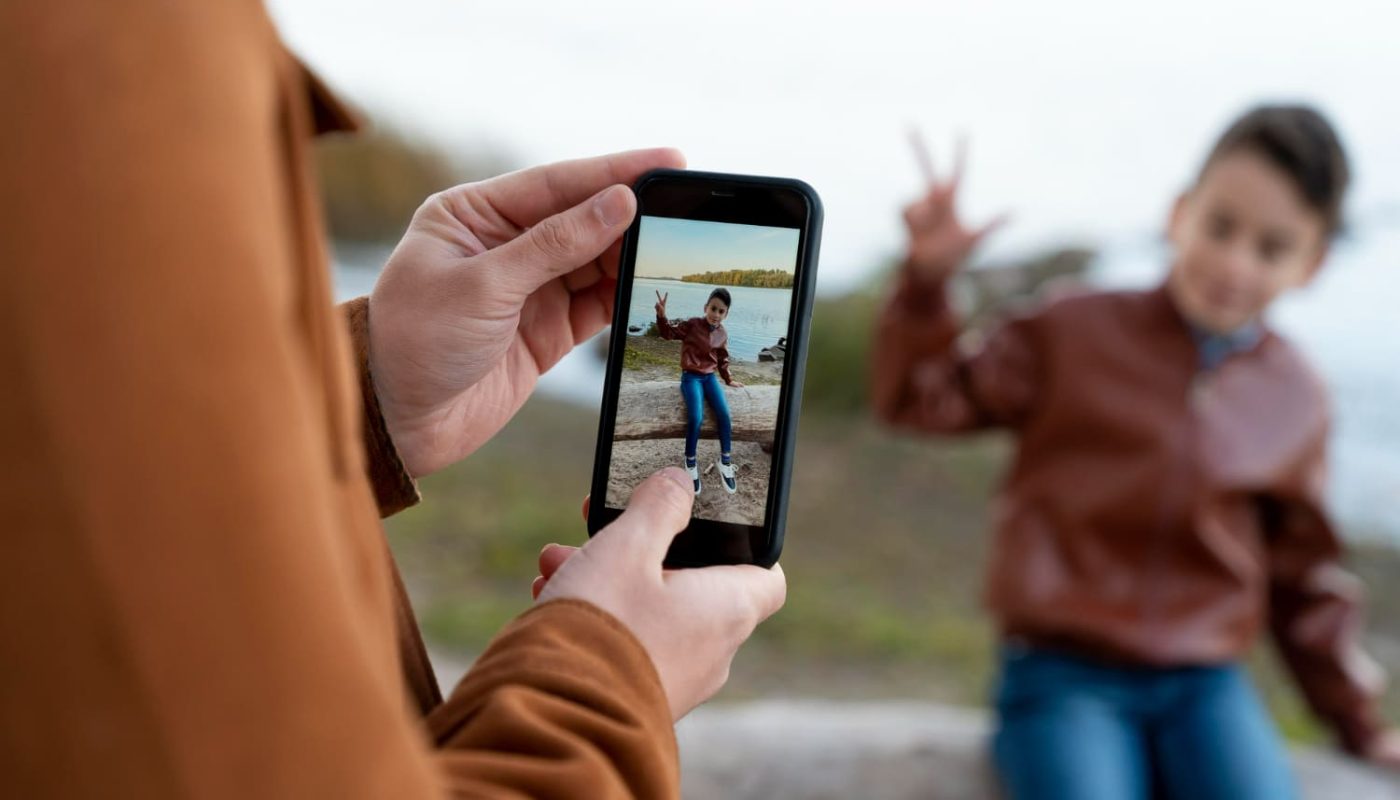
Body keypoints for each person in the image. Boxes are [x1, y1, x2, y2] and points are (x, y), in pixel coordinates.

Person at [0, 3, 784, 797]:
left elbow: (104, 481)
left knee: (716, 424)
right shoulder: (90, 42)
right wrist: (610, 674)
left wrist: (365, 398)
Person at [872, 106, 1400, 798]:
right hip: (1063, 670)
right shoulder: (1071, 328)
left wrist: (1357, 724)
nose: (1236, 262)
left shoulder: (1297, 395)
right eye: (1221, 227)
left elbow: (1304, 580)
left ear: (1313, 262)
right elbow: (918, 398)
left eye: (1271, 247)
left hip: (1204, 683)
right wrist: (925, 286)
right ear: (1180, 212)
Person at [654, 287, 745, 495]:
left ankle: (725, 461)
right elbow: (668, 333)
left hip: (710, 378)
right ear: (706, 307)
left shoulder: (722, 333)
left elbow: (722, 359)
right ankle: (691, 462)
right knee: (696, 417)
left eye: (721, 311)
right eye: (713, 308)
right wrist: (661, 316)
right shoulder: (692, 324)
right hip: (691, 377)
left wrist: (729, 379)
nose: (716, 314)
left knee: (724, 414)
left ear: (726, 314)